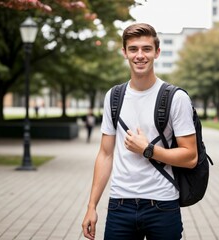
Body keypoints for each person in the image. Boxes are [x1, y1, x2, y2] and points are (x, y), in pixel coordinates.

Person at [81, 23, 198, 240]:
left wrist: (148, 149)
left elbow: (190, 157)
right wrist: (92, 206)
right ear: (124, 52)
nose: (140, 55)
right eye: (133, 49)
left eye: (146, 49)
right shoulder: (113, 97)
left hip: (162, 205)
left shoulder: (176, 98)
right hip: (120, 205)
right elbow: (105, 154)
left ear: (157, 52)